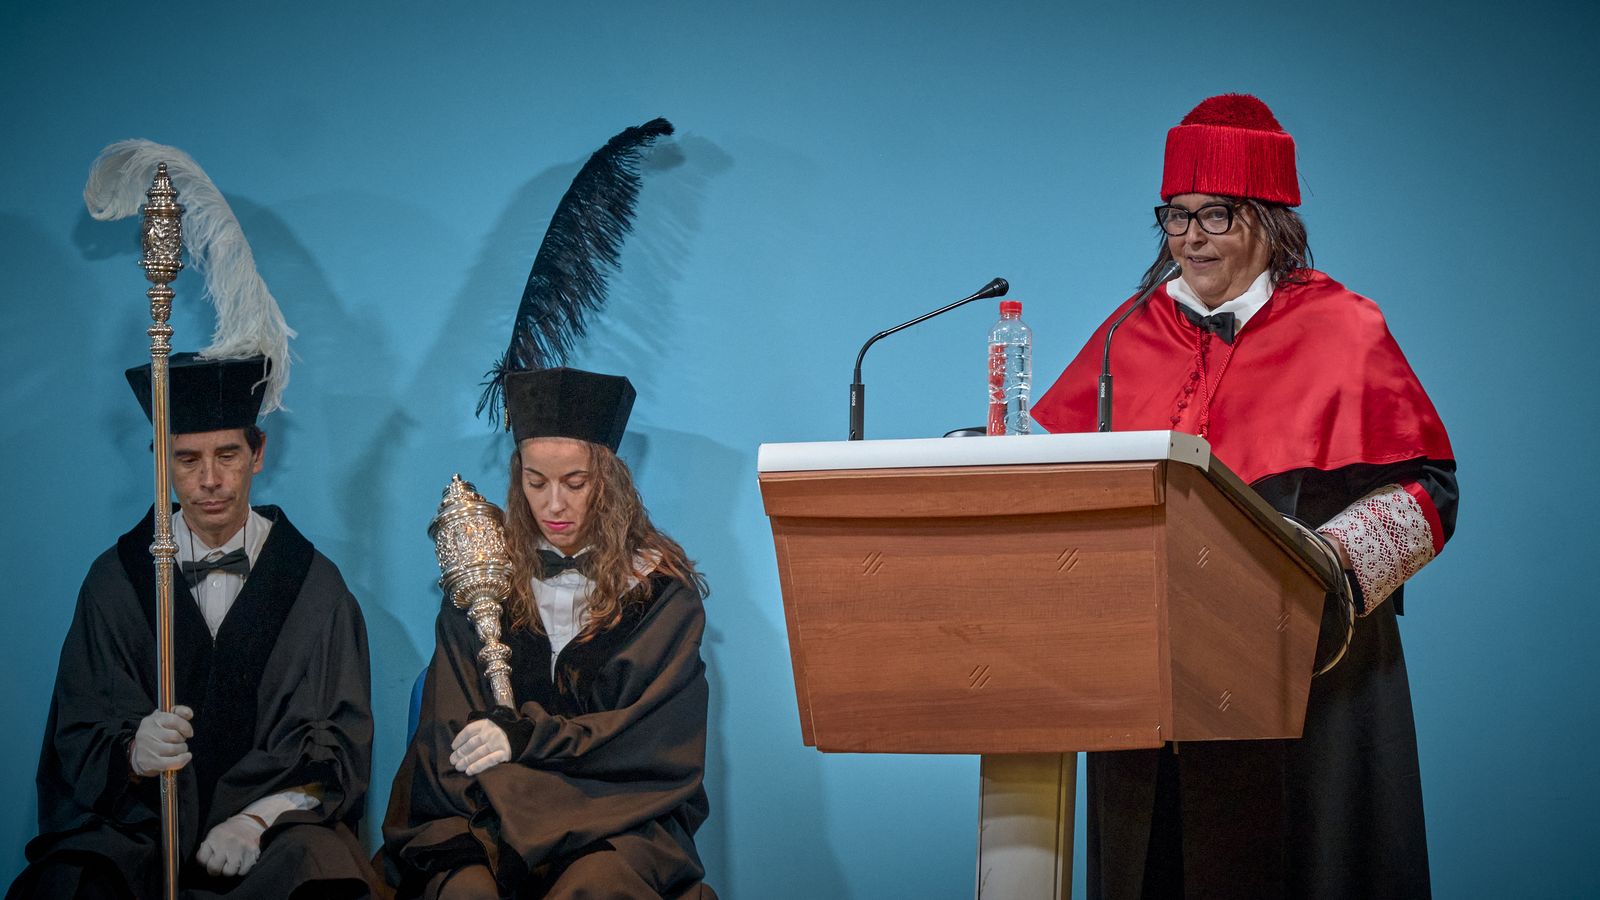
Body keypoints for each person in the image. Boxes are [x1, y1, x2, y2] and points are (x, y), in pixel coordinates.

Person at [1031, 94, 1457, 899]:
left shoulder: (1345, 327)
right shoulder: (1130, 332)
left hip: (1310, 680)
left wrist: (1319, 570)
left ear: (1270, 220)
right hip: (1153, 682)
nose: (1190, 237)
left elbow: (1427, 491)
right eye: (1175, 215)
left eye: (1216, 215)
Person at [6, 354, 378, 900]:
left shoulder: (317, 589)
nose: (209, 481)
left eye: (228, 454)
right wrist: (132, 752)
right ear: (161, 463)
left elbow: (338, 749)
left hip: (267, 840)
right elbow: (79, 729)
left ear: (258, 453)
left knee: (321, 871)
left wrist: (258, 818)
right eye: (186, 460)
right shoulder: (116, 581)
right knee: (69, 882)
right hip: (142, 831)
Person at [383, 367, 715, 900]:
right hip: (489, 810)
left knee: (593, 890)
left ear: (609, 482)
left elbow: (645, 741)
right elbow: (448, 728)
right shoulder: (482, 583)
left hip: (618, 817)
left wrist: (525, 737)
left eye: (575, 483)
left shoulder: (661, 597)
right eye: (536, 482)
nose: (554, 505)